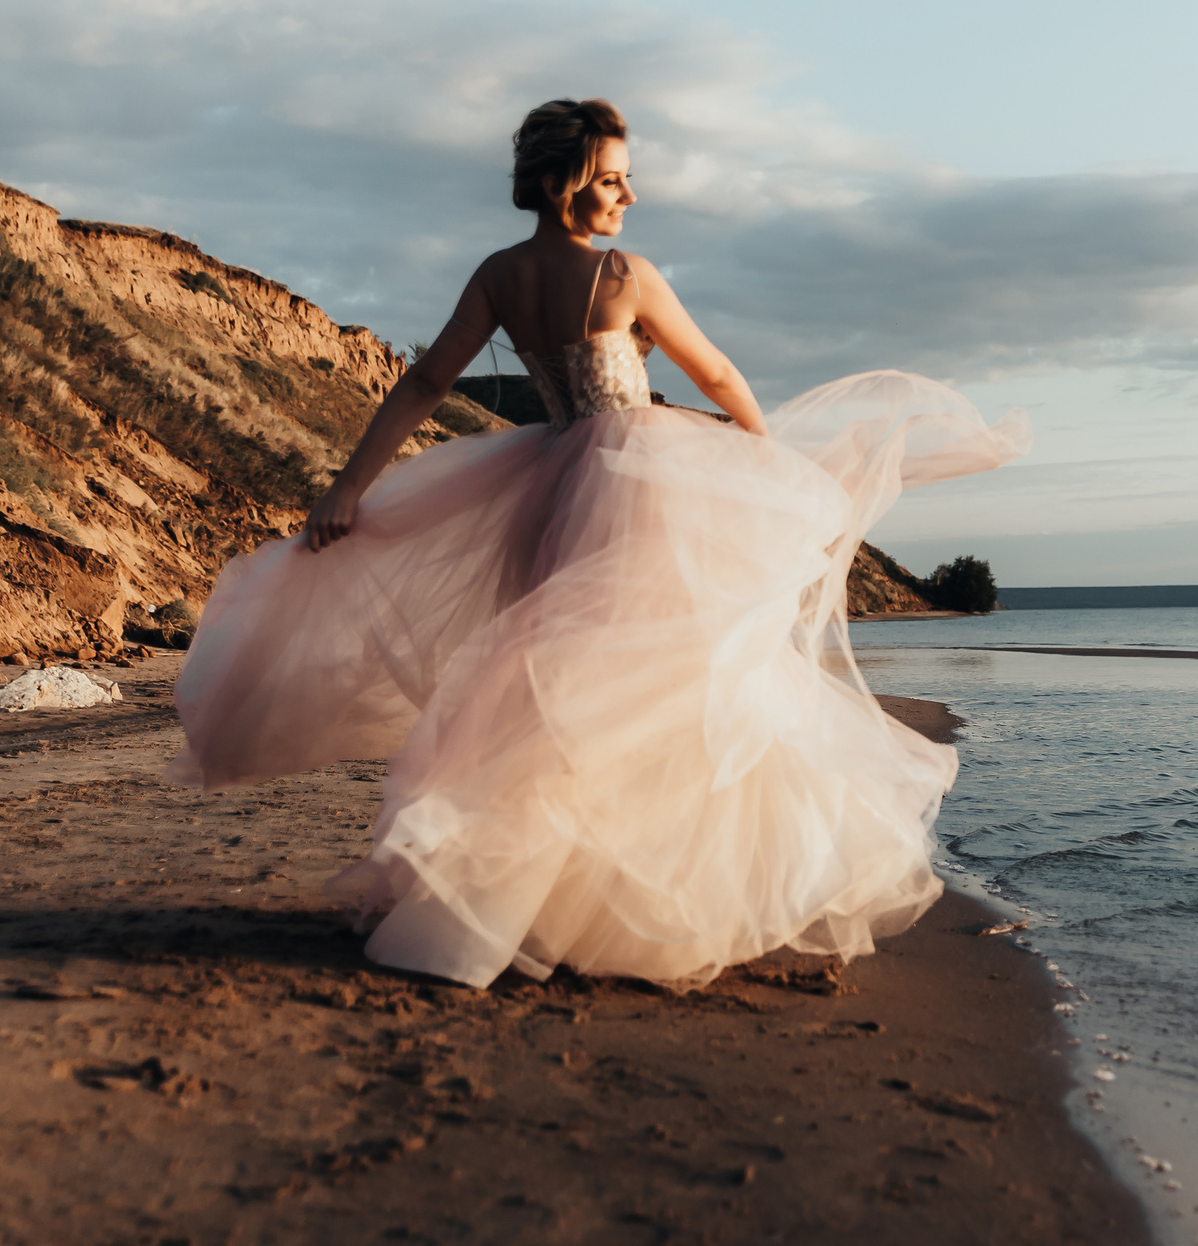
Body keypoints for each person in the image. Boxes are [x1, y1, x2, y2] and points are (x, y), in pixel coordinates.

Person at [166, 99, 1027, 990]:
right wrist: (770, 463)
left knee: (556, 703)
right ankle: (620, 910)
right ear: (558, 184)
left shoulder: (500, 274)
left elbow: (423, 382)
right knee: (661, 694)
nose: (629, 195)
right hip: (633, 493)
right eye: (613, 179)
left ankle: (536, 905)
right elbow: (715, 372)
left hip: (548, 491)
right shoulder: (626, 274)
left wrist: (350, 485)